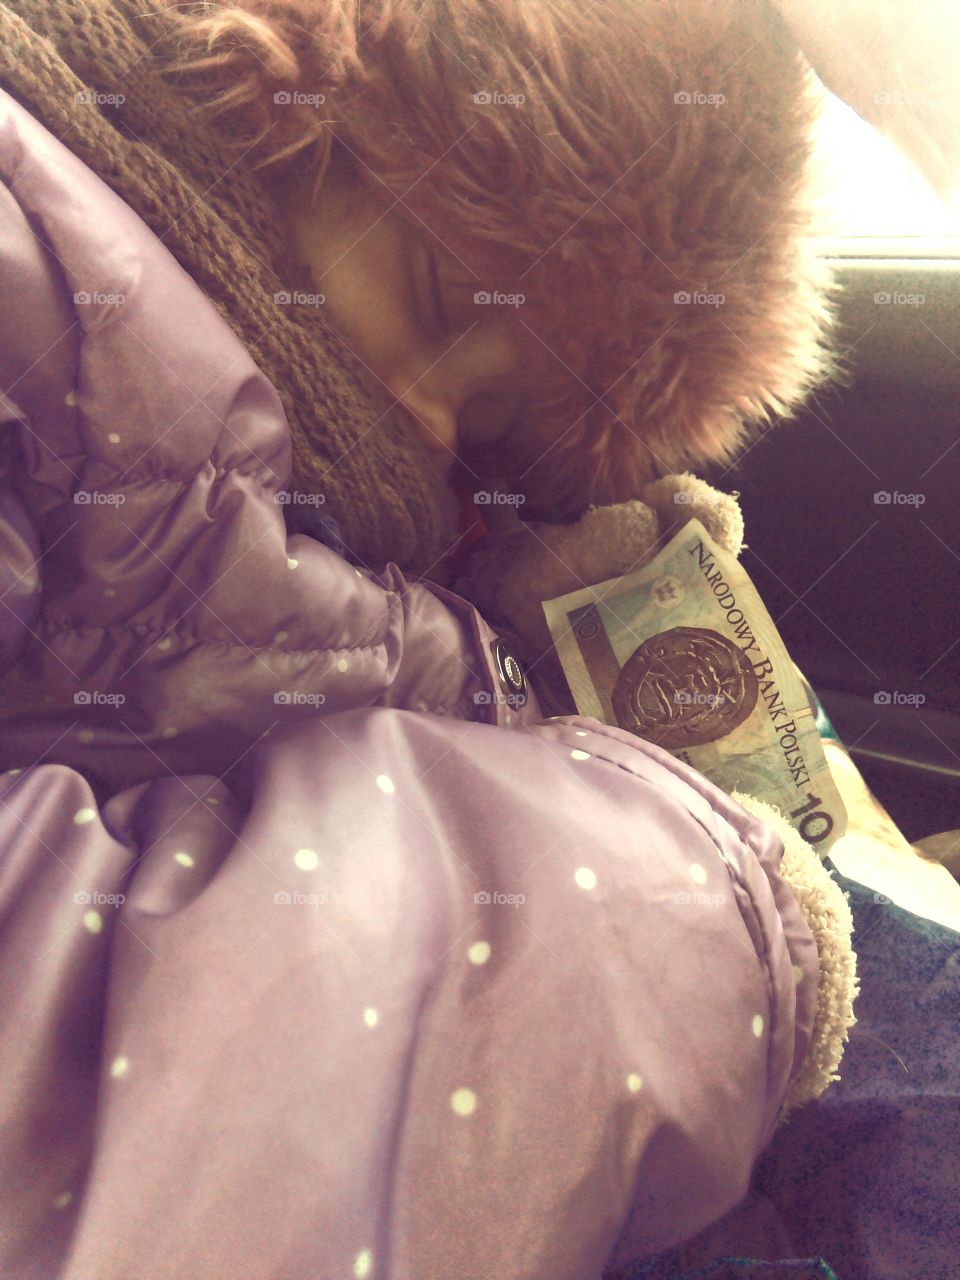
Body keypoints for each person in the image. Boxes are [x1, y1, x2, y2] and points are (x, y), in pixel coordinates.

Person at [0, 3, 858, 1278]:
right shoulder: (40, 253)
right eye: (445, 294)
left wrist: (508, 641)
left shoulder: (323, 438)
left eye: (496, 420)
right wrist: (666, 901)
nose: (424, 410)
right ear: (295, 92)